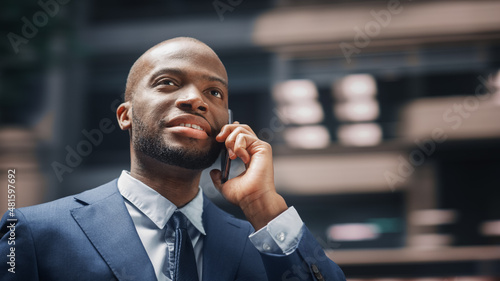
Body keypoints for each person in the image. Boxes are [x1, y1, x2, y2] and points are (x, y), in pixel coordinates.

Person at [0, 37, 345, 281]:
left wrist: (263, 207)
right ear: (126, 115)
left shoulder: (266, 241)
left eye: (214, 92)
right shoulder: (31, 233)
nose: (196, 99)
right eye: (167, 82)